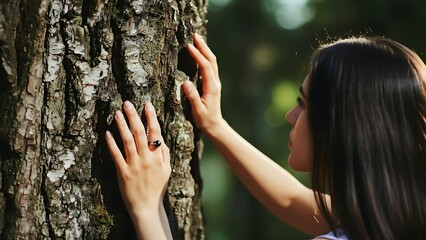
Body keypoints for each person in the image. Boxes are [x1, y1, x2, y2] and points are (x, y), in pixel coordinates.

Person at [105, 33, 426, 239]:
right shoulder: (393, 220)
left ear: (347, 128)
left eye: (303, 104)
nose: (290, 115)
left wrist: (147, 209)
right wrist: (216, 126)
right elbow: (291, 200)